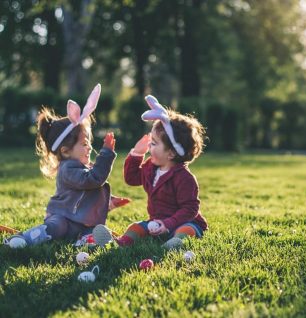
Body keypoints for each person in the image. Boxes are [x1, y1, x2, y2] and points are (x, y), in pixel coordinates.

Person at [4, 84, 129, 248]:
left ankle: (85, 241)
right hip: (63, 217)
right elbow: (93, 180)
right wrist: (105, 154)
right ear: (66, 151)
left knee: (92, 230)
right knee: (57, 227)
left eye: (89, 143)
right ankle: (24, 239)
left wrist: (110, 202)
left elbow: (88, 193)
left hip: (81, 222)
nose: (90, 147)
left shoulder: (82, 167)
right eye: (84, 143)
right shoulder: (68, 169)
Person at [93, 95, 207, 250]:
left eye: (154, 143)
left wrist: (168, 224)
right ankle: (122, 241)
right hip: (156, 222)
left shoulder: (184, 178)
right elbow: (131, 178)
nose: (149, 147)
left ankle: (175, 243)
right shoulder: (151, 167)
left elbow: (190, 209)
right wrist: (136, 155)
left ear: (171, 153)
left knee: (186, 230)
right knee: (136, 227)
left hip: (183, 222)